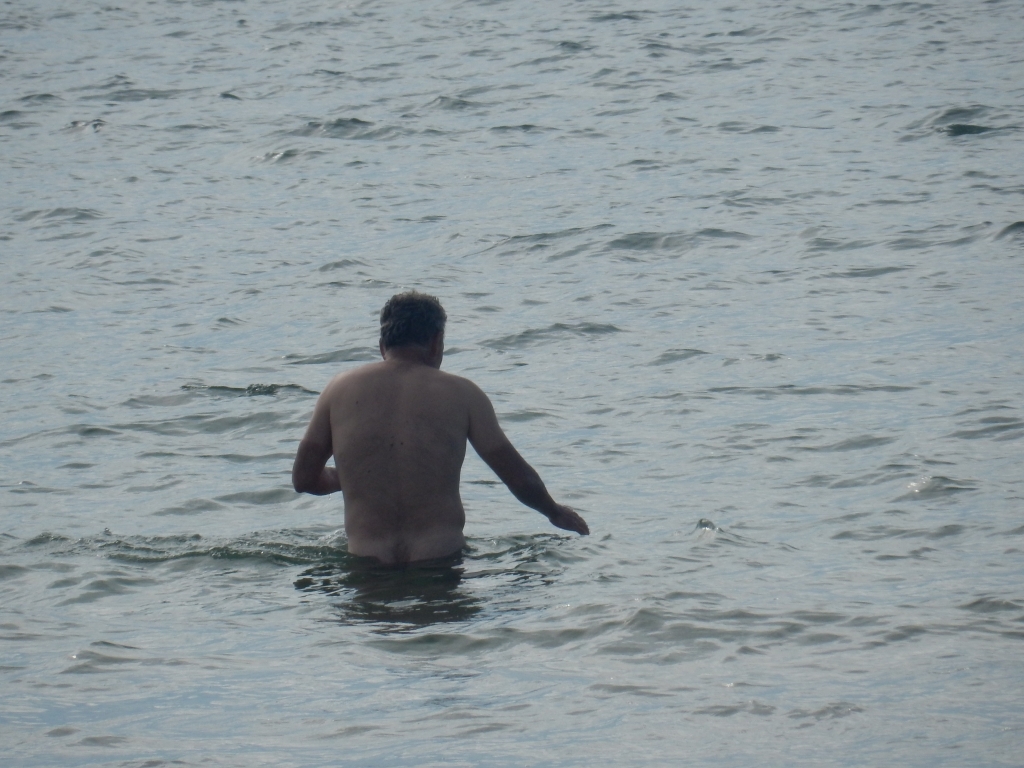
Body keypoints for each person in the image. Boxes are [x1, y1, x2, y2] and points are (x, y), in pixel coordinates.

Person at [292, 291, 589, 565]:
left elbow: (303, 479)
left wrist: (353, 476)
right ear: (436, 342)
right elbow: (518, 477)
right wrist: (554, 512)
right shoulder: (463, 394)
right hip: (439, 560)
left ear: (382, 346)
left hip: (368, 564)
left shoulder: (338, 390)